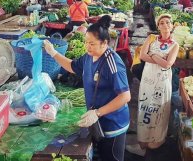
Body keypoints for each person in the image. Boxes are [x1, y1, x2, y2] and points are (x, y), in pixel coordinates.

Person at [43, 15, 131, 161]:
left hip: (113, 124)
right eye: (86, 42)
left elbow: (125, 96)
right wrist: (53, 53)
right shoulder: (89, 56)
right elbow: (72, 66)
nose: (87, 46)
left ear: (104, 43)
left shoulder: (112, 63)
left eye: (92, 43)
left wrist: (97, 112)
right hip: (97, 123)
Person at [126, 14, 179, 157]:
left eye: (168, 22)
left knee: (160, 109)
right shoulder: (151, 38)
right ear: (158, 26)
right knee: (145, 107)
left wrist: (153, 55)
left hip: (163, 81)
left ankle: (157, 139)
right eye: (162, 22)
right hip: (148, 78)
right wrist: (159, 58)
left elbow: (168, 64)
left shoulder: (175, 44)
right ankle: (142, 142)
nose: (165, 25)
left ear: (172, 25)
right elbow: (143, 56)